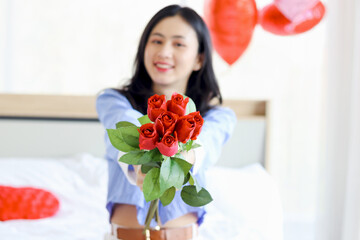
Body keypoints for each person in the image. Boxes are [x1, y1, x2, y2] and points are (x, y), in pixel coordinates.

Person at [96, 4, 236, 240]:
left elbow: (208, 140)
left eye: (178, 44)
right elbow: (124, 125)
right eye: (157, 41)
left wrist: (185, 157)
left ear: (199, 59)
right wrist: (140, 163)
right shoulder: (113, 101)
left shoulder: (217, 117)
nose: (164, 52)